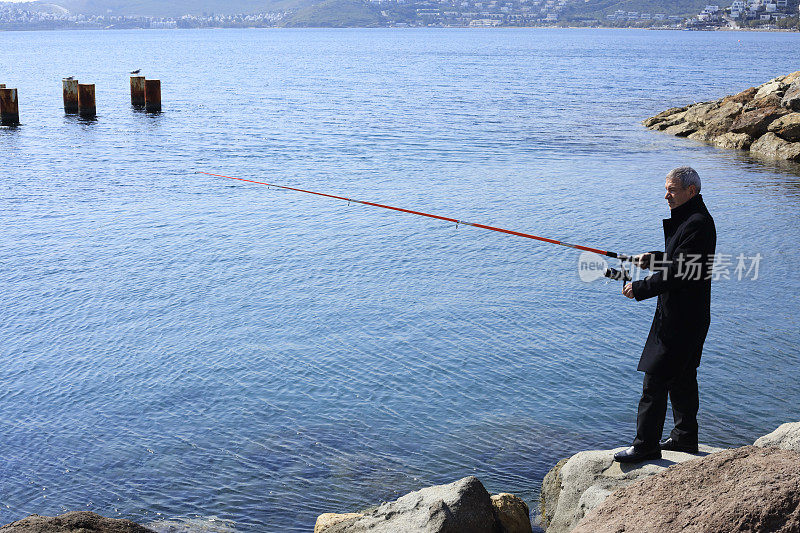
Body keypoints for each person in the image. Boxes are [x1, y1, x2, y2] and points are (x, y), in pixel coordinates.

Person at [614, 167, 717, 463]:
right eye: (667, 189)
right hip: (687, 315)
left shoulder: (697, 222)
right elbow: (680, 261)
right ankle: (685, 437)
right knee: (682, 377)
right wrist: (653, 258)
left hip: (681, 318)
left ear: (691, 191)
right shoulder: (693, 219)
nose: (666, 195)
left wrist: (641, 287)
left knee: (655, 380)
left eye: (671, 190)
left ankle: (646, 444)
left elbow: (680, 272)